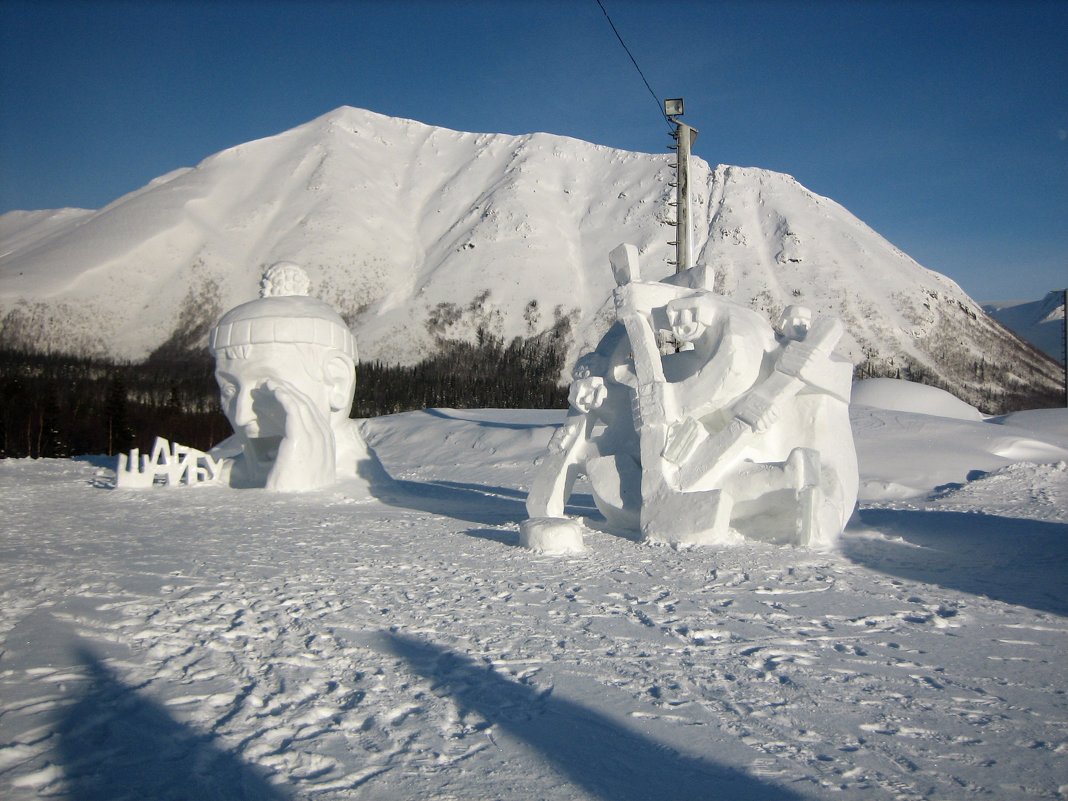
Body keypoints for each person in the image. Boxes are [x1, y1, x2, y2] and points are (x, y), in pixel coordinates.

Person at [207, 262, 381, 492]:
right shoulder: (225, 475)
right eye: (229, 390)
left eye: (266, 389)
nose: (241, 416)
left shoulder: (371, 498)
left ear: (337, 383)